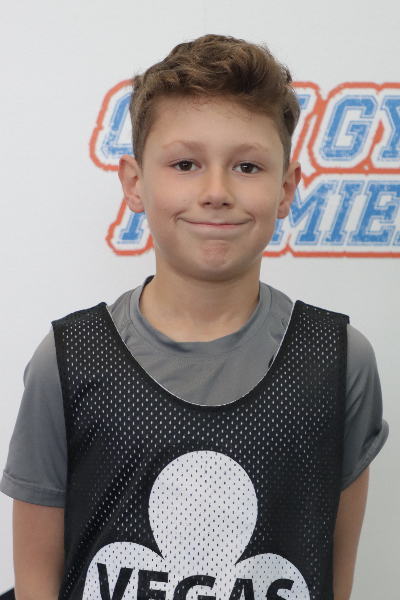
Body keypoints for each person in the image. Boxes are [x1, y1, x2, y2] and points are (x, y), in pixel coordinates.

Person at [1, 34, 388, 600]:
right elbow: (36, 580)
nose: (215, 191)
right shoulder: (69, 360)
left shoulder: (339, 361)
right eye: (185, 164)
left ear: (286, 189)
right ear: (135, 182)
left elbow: (330, 574)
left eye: (247, 166)